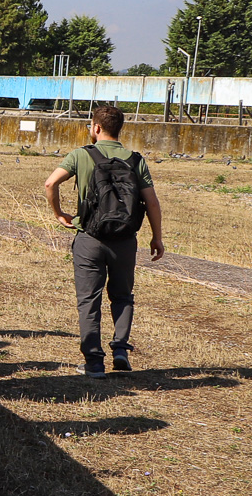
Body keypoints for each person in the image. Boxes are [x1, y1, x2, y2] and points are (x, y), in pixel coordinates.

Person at [42, 105, 165, 376]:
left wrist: (60, 213)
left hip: (89, 238)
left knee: (89, 300)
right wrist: (156, 237)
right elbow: (152, 202)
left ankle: (94, 363)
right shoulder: (135, 159)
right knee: (122, 295)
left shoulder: (81, 155)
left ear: (96, 128)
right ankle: (120, 349)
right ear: (119, 128)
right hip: (125, 240)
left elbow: (51, 184)